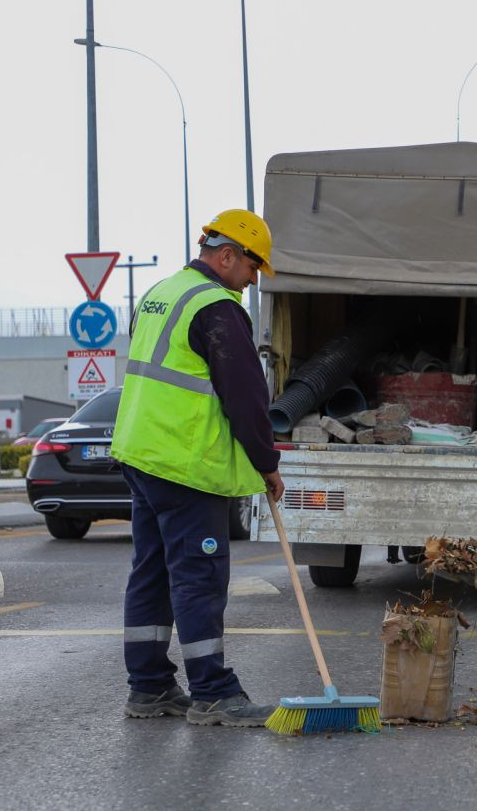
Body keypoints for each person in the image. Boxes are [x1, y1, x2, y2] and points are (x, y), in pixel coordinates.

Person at [112, 208, 286, 726]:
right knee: (199, 577)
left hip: (143, 455)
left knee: (152, 574)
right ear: (227, 255)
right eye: (254, 266)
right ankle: (212, 692)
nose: (254, 279)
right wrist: (266, 463)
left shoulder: (162, 292)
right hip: (185, 464)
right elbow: (246, 396)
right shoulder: (216, 307)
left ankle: (148, 688)